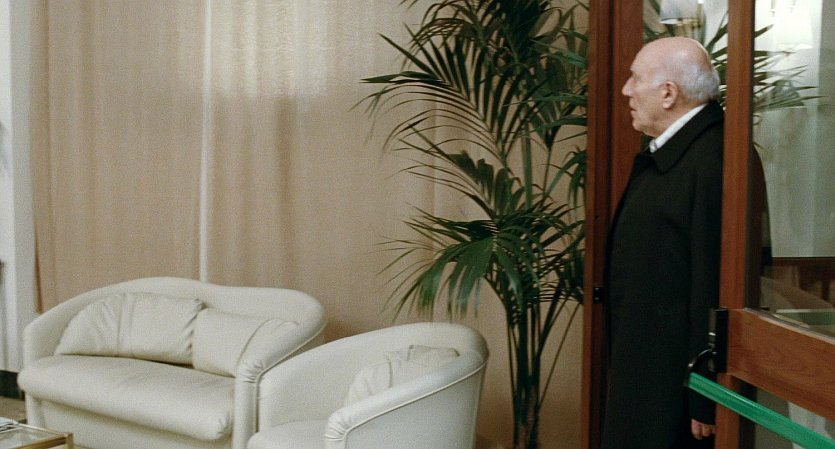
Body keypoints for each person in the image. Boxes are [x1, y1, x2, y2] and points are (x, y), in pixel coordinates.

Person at [601, 37, 723, 449]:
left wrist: (706, 393)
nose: (626, 90)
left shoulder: (713, 158)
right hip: (649, 373)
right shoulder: (678, 153)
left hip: (674, 389)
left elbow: (714, 281)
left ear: (669, 93)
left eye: (636, 78)